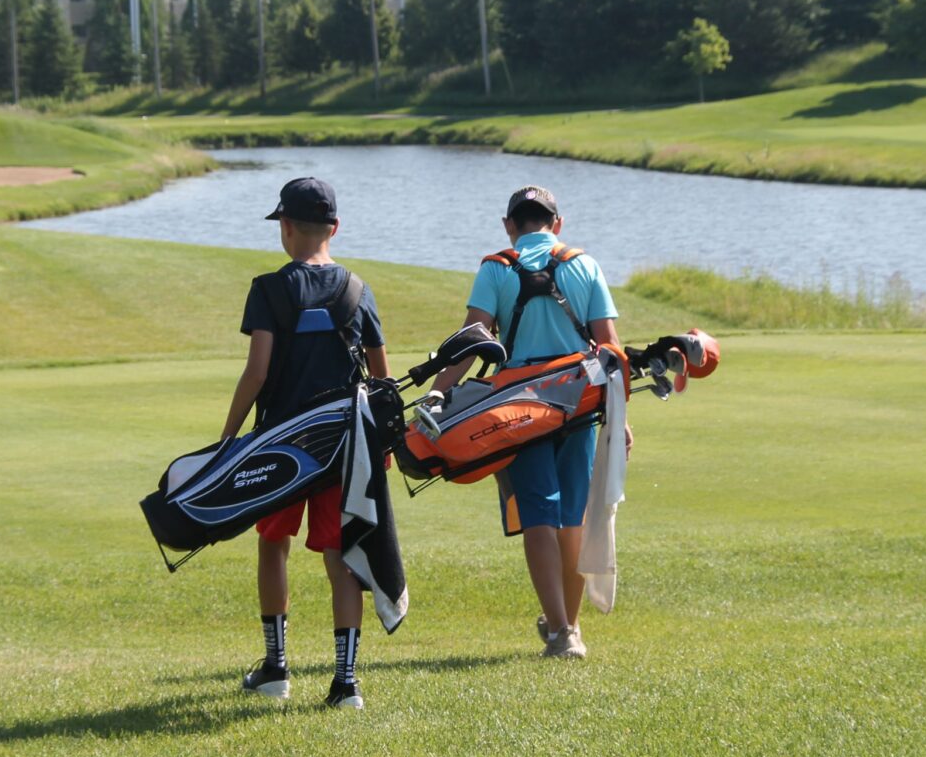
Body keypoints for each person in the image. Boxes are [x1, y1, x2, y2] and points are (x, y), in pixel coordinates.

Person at [430, 185, 632, 659]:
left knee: (539, 513)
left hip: (518, 409)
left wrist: (438, 395)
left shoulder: (496, 268)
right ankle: (570, 629)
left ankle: (559, 629)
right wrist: (621, 415)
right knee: (572, 516)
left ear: (509, 225)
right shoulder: (584, 264)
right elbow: (610, 348)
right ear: (556, 223)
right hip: (579, 402)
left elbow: (472, 340)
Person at [220, 176, 389, 709]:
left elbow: (257, 372)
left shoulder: (268, 289)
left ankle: (276, 669)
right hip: (342, 449)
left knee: (273, 545)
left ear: (286, 227)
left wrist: (228, 438)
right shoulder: (359, 290)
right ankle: (345, 683)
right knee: (341, 555)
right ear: (334, 228)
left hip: (280, 446)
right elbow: (382, 381)